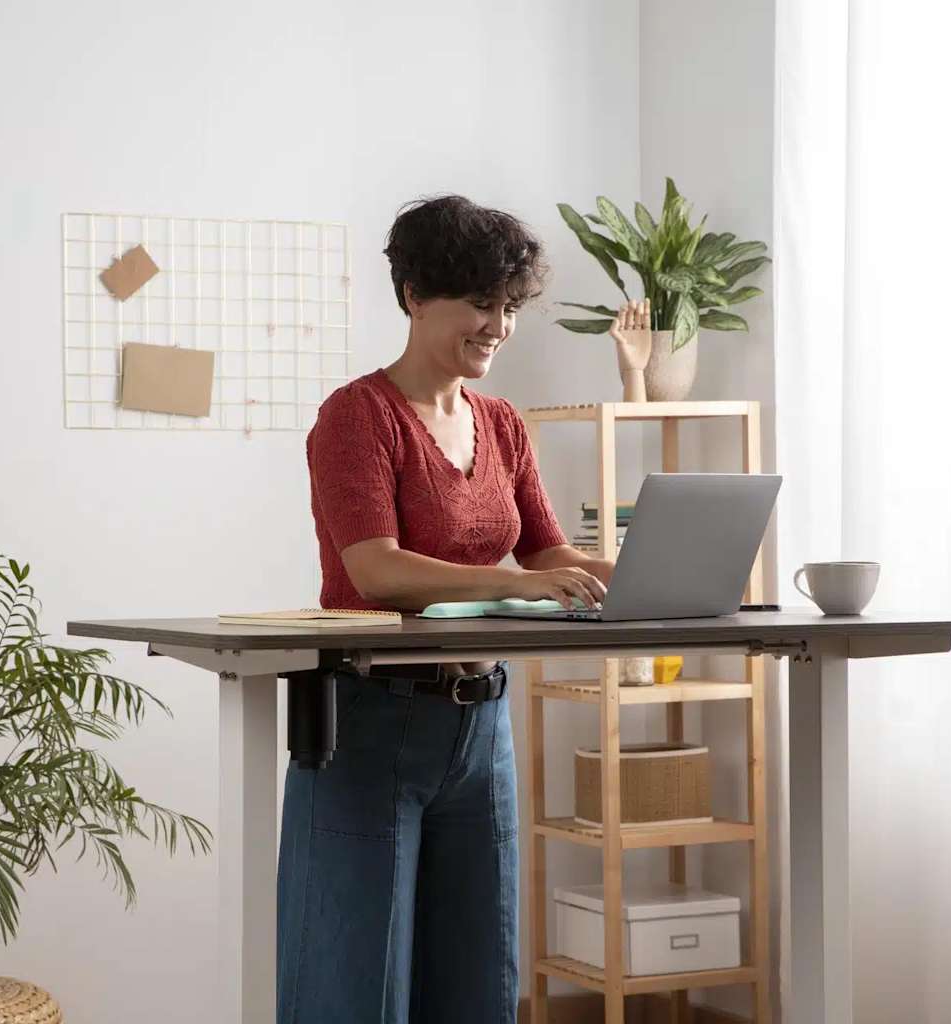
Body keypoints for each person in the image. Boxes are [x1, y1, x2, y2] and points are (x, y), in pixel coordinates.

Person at [277, 195, 633, 1022]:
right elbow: (377, 571)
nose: (499, 325)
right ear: (414, 296)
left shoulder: (502, 424)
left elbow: (548, 553)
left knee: (479, 978)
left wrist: (647, 569)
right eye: (481, 303)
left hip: (482, 727)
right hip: (369, 720)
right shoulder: (356, 417)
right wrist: (517, 585)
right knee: (354, 981)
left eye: (509, 307)